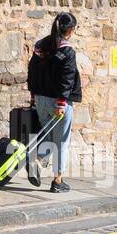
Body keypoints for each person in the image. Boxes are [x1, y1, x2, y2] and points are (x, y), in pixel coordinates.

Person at [25, 11, 82, 193]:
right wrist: (61, 103)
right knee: (61, 141)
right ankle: (58, 181)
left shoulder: (41, 45)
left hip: (41, 98)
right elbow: (67, 79)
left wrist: (34, 96)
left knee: (48, 137)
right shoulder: (67, 51)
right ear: (71, 30)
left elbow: (32, 71)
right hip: (59, 102)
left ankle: (37, 161)